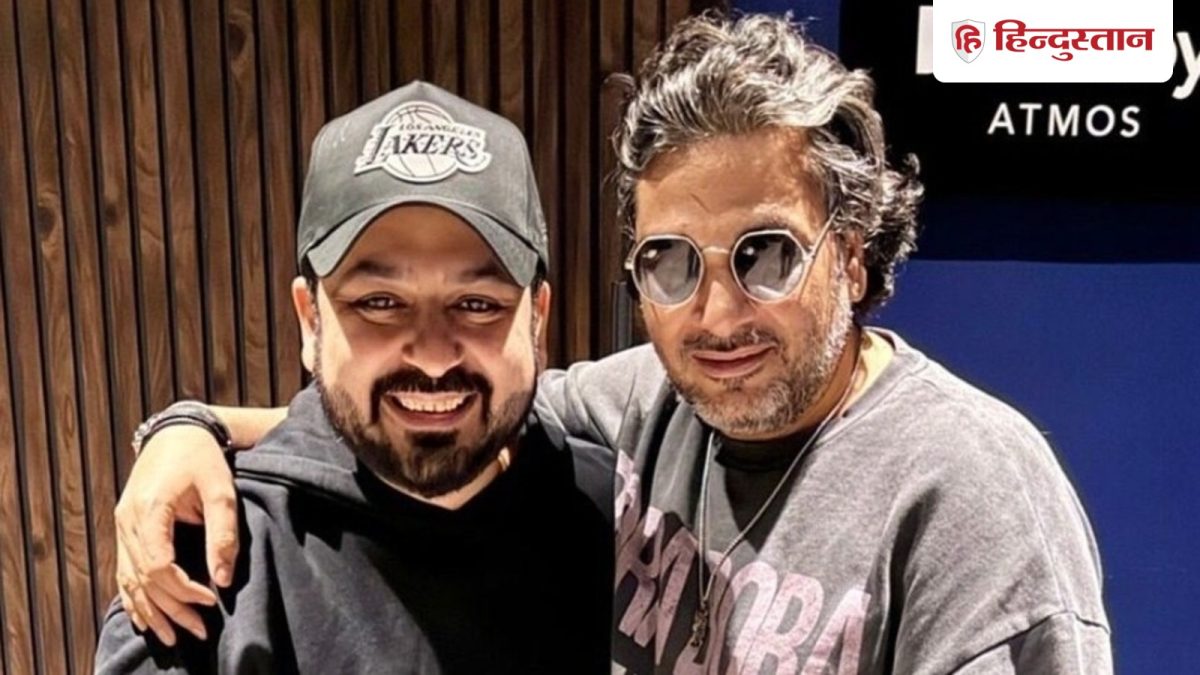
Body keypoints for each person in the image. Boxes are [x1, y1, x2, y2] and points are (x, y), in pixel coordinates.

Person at [112, 12, 1113, 674]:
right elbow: (441, 406)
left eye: (765, 255)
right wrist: (186, 428)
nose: (715, 314)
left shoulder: (972, 499)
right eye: (671, 263)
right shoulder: (653, 403)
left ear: (851, 256)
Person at [95, 80, 613, 674]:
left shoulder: (623, 524)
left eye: (477, 304)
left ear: (537, 319)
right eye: (379, 303)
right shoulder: (207, 574)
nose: (434, 357)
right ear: (310, 320)